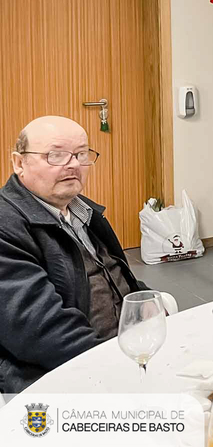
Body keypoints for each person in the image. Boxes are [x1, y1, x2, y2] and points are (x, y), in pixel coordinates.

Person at [0, 116, 149, 393]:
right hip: (66, 376)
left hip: (124, 350)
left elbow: (114, 275)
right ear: (19, 163)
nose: (73, 165)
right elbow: (40, 331)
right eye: (55, 155)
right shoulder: (6, 225)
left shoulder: (83, 210)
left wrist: (149, 304)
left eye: (81, 154)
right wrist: (118, 371)